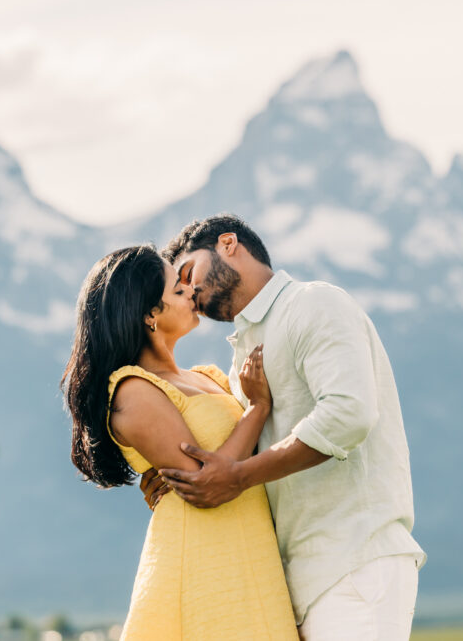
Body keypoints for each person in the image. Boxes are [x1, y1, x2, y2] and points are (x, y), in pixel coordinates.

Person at [144, 214, 426, 640]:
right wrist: (176, 479)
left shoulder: (314, 303)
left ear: (227, 243)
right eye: (179, 287)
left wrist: (237, 477)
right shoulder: (240, 359)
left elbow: (349, 413)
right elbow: (237, 456)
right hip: (290, 580)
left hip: (356, 561)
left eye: (189, 272)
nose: (190, 292)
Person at [61, 244, 299, 640]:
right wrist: (257, 407)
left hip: (252, 553)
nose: (191, 292)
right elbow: (208, 484)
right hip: (205, 563)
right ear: (151, 315)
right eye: (177, 289)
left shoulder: (209, 377)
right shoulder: (133, 391)